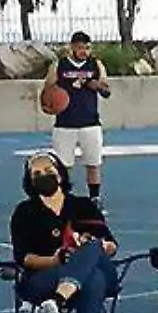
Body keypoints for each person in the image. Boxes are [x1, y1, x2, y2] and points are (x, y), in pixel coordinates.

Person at [9, 153, 122, 313]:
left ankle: (61, 297)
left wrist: (102, 247)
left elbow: (111, 244)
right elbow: (24, 258)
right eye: (37, 173)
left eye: (48, 171)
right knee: (92, 277)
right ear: (30, 180)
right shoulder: (24, 212)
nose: (44, 175)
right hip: (47, 276)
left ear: (60, 174)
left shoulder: (83, 205)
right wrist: (54, 259)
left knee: (92, 246)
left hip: (92, 266)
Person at [40, 32, 111, 202]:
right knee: (63, 166)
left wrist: (96, 85)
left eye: (87, 48)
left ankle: (94, 198)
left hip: (90, 122)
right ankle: (63, 198)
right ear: (72, 47)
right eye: (80, 48)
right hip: (65, 124)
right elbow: (47, 90)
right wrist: (48, 104)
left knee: (93, 163)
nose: (84, 51)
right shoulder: (59, 66)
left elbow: (107, 90)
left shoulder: (96, 65)